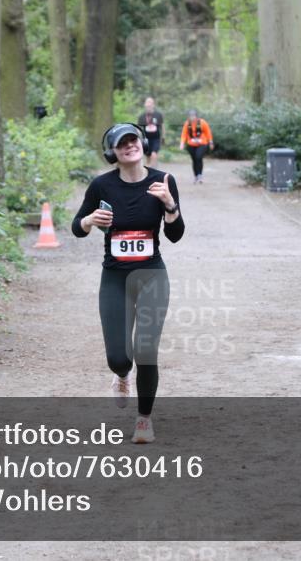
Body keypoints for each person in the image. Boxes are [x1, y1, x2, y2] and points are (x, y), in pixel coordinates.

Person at [72, 123, 184, 443]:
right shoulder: (101, 186)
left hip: (152, 276)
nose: (129, 146)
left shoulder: (163, 181)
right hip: (115, 278)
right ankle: (122, 374)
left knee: (146, 349)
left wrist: (170, 206)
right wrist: (89, 220)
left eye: (133, 140)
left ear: (143, 144)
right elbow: (77, 227)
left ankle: (144, 420)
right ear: (113, 152)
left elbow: (175, 235)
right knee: (118, 358)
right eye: (122, 143)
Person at [178, 109, 214, 183]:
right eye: (190, 116)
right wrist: (182, 143)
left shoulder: (202, 122)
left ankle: (200, 175)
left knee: (198, 157)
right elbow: (184, 134)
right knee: (194, 160)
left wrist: (211, 142)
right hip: (191, 145)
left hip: (202, 144)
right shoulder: (187, 123)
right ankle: (196, 176)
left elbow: (208, 132)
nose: (192, 118)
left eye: (193, 116)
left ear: (196, 116)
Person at [137, 96, 165, 167]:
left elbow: (162, 126)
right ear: (145, 105)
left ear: (153, 105)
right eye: (147, 103)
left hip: (156, 139)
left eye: (150, 103)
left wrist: (163, 137)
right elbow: (139, 129)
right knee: (148, 156)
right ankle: (149, 169)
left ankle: (154, 169)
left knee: (154, 154)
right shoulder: (141, 116)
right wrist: (138, 138)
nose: (149, 104)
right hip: (146, 139)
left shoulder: (158, 115)